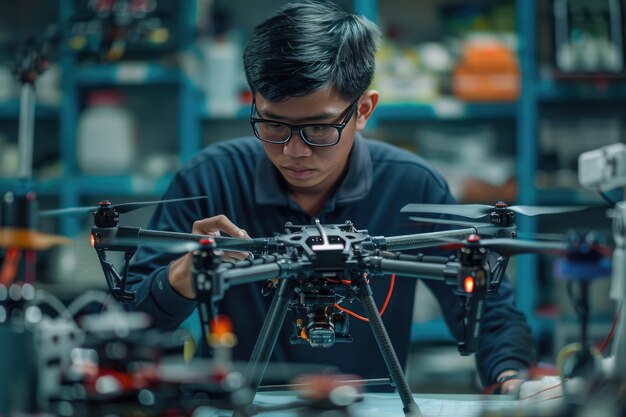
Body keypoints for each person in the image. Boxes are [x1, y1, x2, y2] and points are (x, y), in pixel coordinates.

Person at [127, 0, 532, 394]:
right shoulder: (210, 180)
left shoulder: (413, 186)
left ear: (363, 110)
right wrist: (183, 275)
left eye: (319, 128)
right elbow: (129, 327)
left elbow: (488, 309)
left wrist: (511, 378)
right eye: (272, 124)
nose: (294, 151)